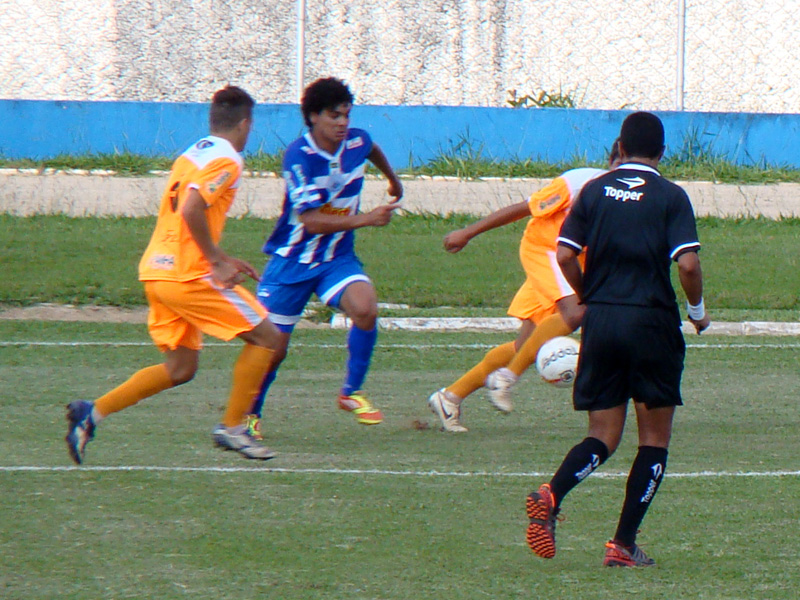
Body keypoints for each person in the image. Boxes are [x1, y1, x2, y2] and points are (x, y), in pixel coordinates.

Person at [525, 112, 710, 567]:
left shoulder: (594, 190)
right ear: (662, 153)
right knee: (654, 440)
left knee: (602, 435)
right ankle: (622, 544)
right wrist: (697, 311)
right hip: (651, 324)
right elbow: (687, 264)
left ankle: (553, 492)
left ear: (621, 149)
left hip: (603, 324)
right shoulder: (671, 195)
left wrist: (590, 295)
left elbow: (564, 255)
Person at [65, 86, 281, 463]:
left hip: (157, 271)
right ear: (245, 124)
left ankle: (92, 413)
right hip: (188, 275)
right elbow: (191, 209)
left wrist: (221, 255)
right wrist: (215, 260)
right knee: (268, 337)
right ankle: (233, 428)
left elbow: (184, 214)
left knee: (181, 369)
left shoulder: (192, 153)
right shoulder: (228, 160)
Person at [244, 76, 403, 436]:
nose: (343, 123)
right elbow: (311, 221)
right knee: (273, 348)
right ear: (313, 116)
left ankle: (351, 392)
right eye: (334, 116)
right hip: (292, 262)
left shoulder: (356, 140)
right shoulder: (299, 157)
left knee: (365, 308)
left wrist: (393, 180)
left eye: (346, 115)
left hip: (336, 258)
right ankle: (249, 414)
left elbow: (371, 147)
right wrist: (366, 218)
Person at [427, 143, 621, 432]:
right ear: (612, 160)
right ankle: (505, 379)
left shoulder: (636, 197)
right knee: (576, 312)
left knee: (526, 346)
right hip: (547, 250)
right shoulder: (577, 183)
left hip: (575, 260)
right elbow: (524, 208)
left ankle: (450, 397)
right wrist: (468, 232)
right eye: (621, 164)